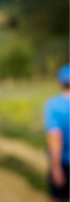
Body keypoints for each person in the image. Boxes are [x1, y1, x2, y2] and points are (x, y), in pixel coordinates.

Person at [44, 64, 70, 202]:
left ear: (60, 82)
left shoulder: (54, 105)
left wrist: (56, 168)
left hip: (65, 162)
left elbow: (55, 140)